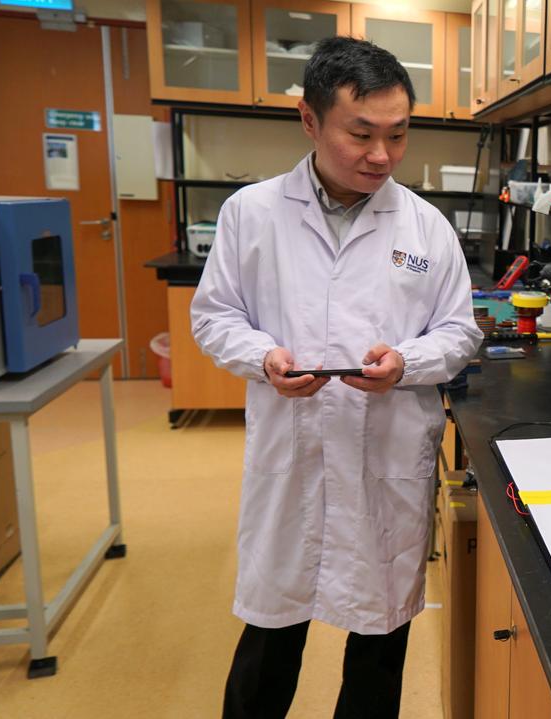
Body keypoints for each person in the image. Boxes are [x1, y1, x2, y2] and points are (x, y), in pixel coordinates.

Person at [191, 36, 482, 719]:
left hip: (383, 457)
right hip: (292, 454)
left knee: (379, 646)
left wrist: (406, 363)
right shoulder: (253, 214)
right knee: (269, 636)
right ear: (310, 120)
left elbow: (460, 330)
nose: (382, 155)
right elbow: (215, 316)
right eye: (361, 133)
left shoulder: (427, 227)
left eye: (398, 134)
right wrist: (264, 357)